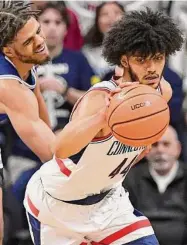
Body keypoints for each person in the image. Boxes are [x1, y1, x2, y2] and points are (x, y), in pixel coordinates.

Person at [24, 8, 183, 245]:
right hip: (58, 205)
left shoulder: (163, 92)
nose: (151, 68)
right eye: (141, 59)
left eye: (158, 58)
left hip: (108, 202)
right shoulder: (100, 99)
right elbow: (59, 149)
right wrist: (101, 118)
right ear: (124, 59)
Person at [0, 0, 57, 243]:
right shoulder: (8, 86)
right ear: (8, 51)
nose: (40, 41)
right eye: (28, 40)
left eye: (37, 31)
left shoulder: (26, 57)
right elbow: (50, 154)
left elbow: (46, 130)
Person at [37, 1, 97, 130]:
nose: (52, 28)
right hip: (28, 140)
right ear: (36, 27)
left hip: (70, 135)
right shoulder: (25, 59)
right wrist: (34, 91)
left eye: (58, 22)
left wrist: (65, 91)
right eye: (46, 22)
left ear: (66, 29)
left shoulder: (78, 60)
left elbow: (94, 102)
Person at [124, 126, 187, 245]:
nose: (160, 150)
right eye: (155, 145)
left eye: (166, 144)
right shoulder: (129, 179)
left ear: (178, 149)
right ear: (146, 150)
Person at [83, 1, 125, 78]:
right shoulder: (87, 53)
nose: (111, 17)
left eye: (117, 12)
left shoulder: (136, 50)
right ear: (97, 21)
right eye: (105, 14)